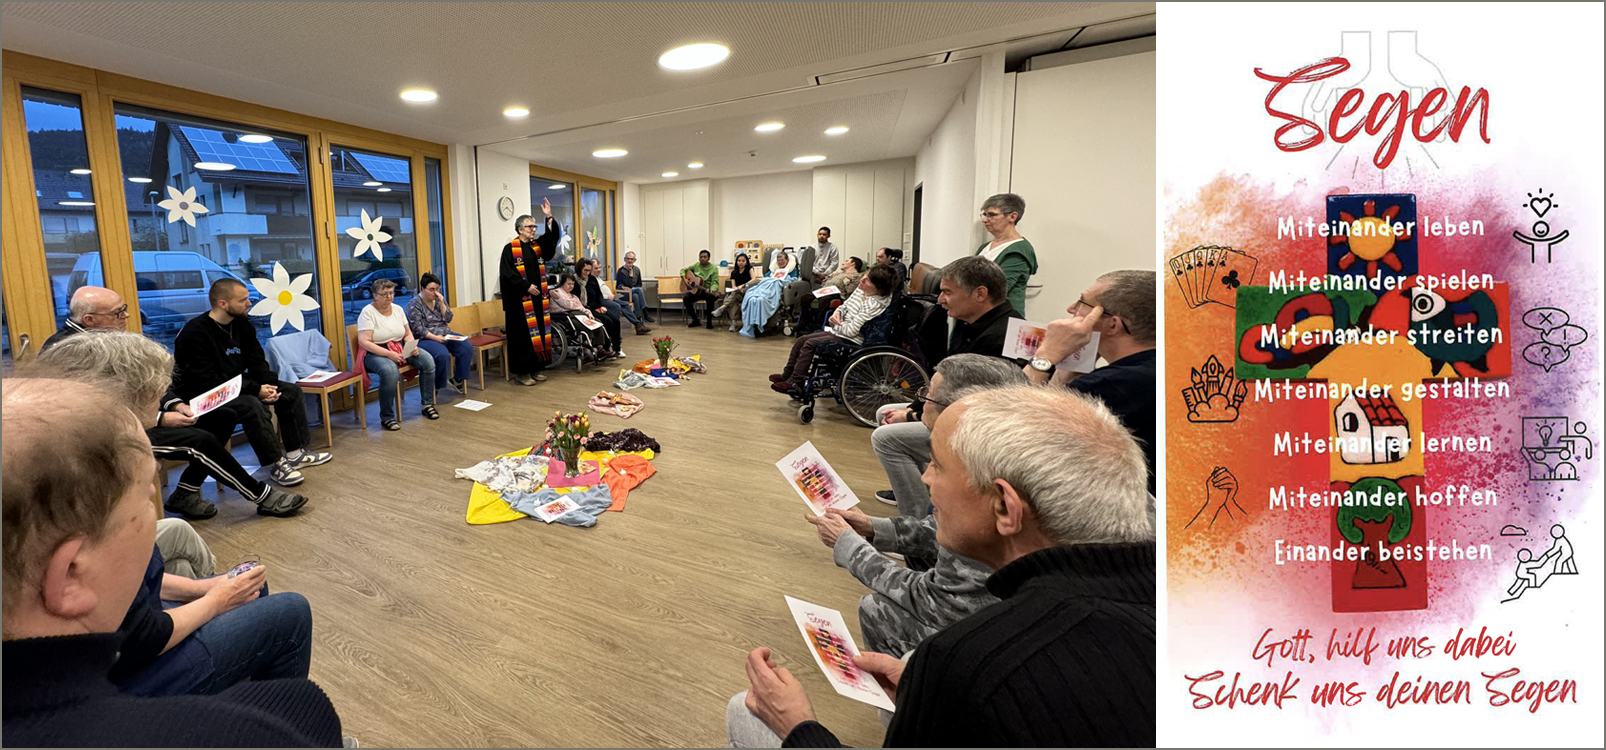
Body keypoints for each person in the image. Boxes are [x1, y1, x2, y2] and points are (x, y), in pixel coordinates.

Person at [730, 386, 1156, 748]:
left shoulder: (967, 660)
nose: (925, 480)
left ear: (1006, 508)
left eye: (936, 464)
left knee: (743, 712)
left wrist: (799, 727)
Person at [1, 378, 342, 747]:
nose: (154, 502)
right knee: (288, 613)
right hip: (138, 674)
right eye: (146, 495)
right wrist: (217, 600)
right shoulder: (281, 719)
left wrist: (203, 587)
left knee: (228, 573)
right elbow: (144, 637)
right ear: (70, 573)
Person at [800, 355, 1028, 657]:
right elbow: (939, 533)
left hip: (1001, 644)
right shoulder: (1006, 461)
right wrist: (873, 527)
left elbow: (933, 601)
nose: (926, 475)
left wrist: (848, 546)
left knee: (876, 609)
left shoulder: (984, 495)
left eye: (927, 396)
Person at [35, 330, 307, 519]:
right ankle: (261, 497)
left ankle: (185, 492)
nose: (126, 315)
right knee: (199, 442)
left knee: (224, 416)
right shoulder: (72, 351)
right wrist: (160, 418)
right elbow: (94, 410)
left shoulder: (104, 341)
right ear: (91, 318)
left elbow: (162, 387)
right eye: (119, 311)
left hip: (140, 418)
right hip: (112, 432)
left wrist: (176, 406)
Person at [872, 256, 1021, 516]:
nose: (940, 299)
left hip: (979, 429)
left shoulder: (999, 338)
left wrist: (913, 414)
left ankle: (916, 525)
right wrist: (913, 410)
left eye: (946, 292)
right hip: (956, 407)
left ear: (980, 294)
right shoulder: (973, 325)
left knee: (886, 438)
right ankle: (918, 491)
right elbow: (946, 379)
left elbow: (974, 406)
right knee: (884, 412)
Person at [173, 278, 331, 487]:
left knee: (290, 391)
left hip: (236, 385)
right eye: (243, 300)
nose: (249, 303)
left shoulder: (242, 325)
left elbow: (256, 361)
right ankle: (276, 464)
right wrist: (256, 390)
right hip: (203, 394)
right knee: (251, 405)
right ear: (223, 303)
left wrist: (268, 385)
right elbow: (207, 380)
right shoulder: (195, 333)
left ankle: (295, 453)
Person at [1023, 269, 1157, 492]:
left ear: (1112, 324)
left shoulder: (1106, 387)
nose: (1071, 309)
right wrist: (1075, 365)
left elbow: (1008, 432)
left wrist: (1046, 355)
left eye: (1082, 303)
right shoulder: (1164, 368)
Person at [771, 263, 897, 393]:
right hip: (840, 330)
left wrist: (836, 324)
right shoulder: (862, 290)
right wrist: (837, 313)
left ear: (879, 289)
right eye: (865, 276)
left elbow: (851, 331)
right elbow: (844, 306)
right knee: (801, 340)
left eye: (868, 280)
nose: (862, 280)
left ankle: (795, 382)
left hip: (851, 339)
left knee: (809, 344)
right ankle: (787, 375)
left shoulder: (874, 304)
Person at [357, 278, 437, 430]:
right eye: (385, 294)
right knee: (390, 371)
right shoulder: (367, 312)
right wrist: (388, 354)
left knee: (428, 361)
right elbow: (364, 341)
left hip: (398, 347)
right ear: (375, 295)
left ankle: (427, 404)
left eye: (391, 293)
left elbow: (407, 333)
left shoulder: (398, 309)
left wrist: (411, 345)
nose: (389, 297)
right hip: (376, 352)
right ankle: (386, 416)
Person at [499, 203, 561, 386]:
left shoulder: (536, 246)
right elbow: (508, 274)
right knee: (522, 337)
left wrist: (549, 217)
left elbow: (552, 240)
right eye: (530, 226)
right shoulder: (510, 249)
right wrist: (526, 286)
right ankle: (522, 373)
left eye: (535, 226)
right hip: (520, 301)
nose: (533, 229)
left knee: (539, 333)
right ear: (520, 229)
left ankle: (537, 367)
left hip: (538, 299)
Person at [407, 272, 473, 397]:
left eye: (437, 289)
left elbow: (448, 319)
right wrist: (435, 338)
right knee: (442, 355)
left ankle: (457, 379)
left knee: (466, 347)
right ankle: (436, 385)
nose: (435, 292)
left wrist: (442, 303)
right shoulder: (414, 304)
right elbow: (418, 329)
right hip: (426, 338)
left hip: (445, 333)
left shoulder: (438, 300)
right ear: (422, 288)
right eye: (431, 289)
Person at [975, 193, 1038, 316]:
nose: (985, 219)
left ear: (1012, 216)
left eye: (992, 214)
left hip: (1002, 319)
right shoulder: (985, 247)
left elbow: (998, 289)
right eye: (985, 214)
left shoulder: (1019, 250)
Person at [40, 285, 131, 352]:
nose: (126, 315)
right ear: (89, 320)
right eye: (117, 312)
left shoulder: (99, 337)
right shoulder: (70, 349)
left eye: (124, 309)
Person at [550, 273, 618, 359]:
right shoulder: (556, 293)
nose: (571, 286)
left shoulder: (573, 296)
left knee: (597, 323)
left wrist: (589, 314)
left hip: (577, 314)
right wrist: (577, 306)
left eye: (572, 284)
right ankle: (586, 353)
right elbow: (568, 305)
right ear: (563, 283)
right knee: (586, 327)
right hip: (565, 316)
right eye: (568, 284)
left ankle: (600, 349)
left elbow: (581, 307)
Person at [738, 250, 800, 338]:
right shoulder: (772, 270)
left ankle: (759, 324)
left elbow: (793, 279)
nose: (780, 262)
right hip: (764, 288)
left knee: (761, 300)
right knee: (753, 299)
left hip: (775, 289)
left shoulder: (792, 270)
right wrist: (771, 279)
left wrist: (782, 279)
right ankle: (753, 325)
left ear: (787, 261)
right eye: (779, 261)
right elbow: (765, 279)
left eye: (782, 260)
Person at [580, 257, 648, 336]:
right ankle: (642, 316)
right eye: (596, 268)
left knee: (628, 301)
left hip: (612, 297)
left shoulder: (598, 278)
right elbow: (594, 294)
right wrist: (607, 296)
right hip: (604, 300)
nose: (599, 270)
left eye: (599, 268)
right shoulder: (590, 279)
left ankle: (638, 324)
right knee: (620, 304)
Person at [782, 227, 840, 315]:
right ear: (817, 235)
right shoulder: (811, 248)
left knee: (823, 298)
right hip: (812, 276)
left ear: (828, 236)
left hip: (826, 277)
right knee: (808, 297)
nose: (821, 236)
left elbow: (834, 263)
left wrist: (825, 274)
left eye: (824, 234)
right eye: (820, 234)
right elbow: (808, 264)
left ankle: (818, 319)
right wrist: (817, 273)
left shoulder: (833, 248)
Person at [710, 253, 759, 329]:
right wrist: (736, 288)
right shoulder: (733, 272)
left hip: (747, 292)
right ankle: (733, 323)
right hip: (738, 293)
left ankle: (722, 308)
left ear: (746, 262)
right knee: (733, 301)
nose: (741, 262)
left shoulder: (750, 269)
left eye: (743, 261)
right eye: (739, 260)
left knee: (730, 298)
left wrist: (743, 285)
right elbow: (733, 285)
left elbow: (754, 279)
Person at [680, 249, 721, 328]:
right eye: (701, 257)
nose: (702, 258)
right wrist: (684, 279)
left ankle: (709, 322)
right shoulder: (696, 265)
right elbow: (683, 270)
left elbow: (715, 282)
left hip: (708, 291)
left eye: (705, 257)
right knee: (686, 298)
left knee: (710, 298)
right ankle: (695, 320)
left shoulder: (713, 268)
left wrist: (712, 290)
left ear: (709, 258)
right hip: (698, 291)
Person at [614, 251, 654, 324]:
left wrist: (632, 288)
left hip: (632, 293)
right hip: (623, 294)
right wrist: (631, 273)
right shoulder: (621, 271)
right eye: (628, 258)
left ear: (635, 260)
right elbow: (629, 284)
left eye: (632, 259)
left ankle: (638, 318)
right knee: (638, 290)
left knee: (635, 295)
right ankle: (645, 313)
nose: (630, 261)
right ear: (624, 259)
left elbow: (639, 283)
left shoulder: (637, 270)